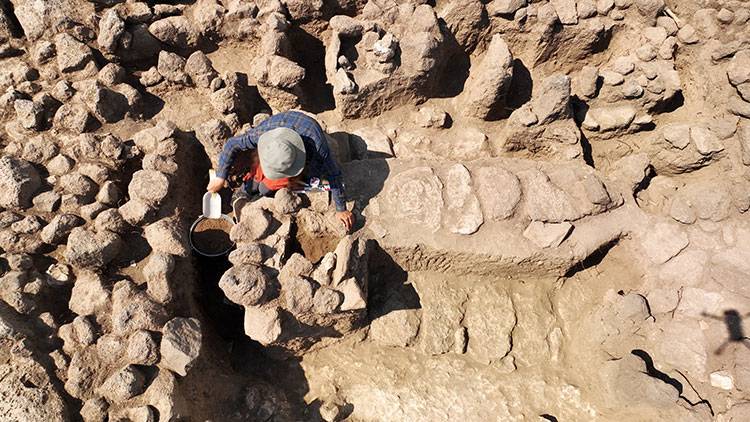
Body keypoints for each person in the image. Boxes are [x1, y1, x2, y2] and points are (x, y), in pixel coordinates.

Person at [206, 110, 354, 231]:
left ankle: (262, 191)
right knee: (257, 173)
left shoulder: (318, 147)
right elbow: (232, 144)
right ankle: (247, 189)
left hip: (305, 150)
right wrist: (220, 177)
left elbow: (334, 174)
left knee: (267, 188)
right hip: (280, 131)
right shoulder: (260, 135)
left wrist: (341, 208)